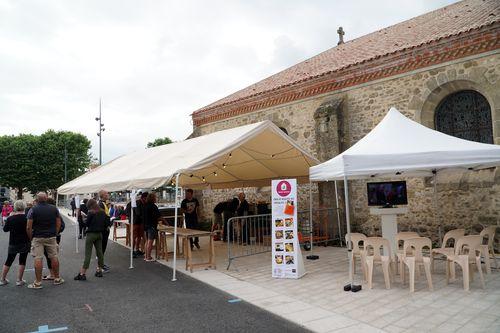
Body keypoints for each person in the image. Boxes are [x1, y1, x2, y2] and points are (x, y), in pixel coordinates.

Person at [26, 192, 64, 289]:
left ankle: (38, 282)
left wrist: (31, 237)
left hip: (38, 237)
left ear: (37, 199)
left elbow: (28, 227)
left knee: (38, 258)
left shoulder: (32, 210)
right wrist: (55, 232)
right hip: (51, 236)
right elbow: (58, 221)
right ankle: (57, 278)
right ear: (46, 198)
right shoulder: (53, 208)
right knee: (54, 257)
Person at [74, 199, 107, 281]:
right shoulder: (102, 212)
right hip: (99, 234)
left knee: (88, 254)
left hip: (91, 234)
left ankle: (82, 273)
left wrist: (83, 217)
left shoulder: (91, 212)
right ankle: (99, 270)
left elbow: (87, 224)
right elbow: (105, 223)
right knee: (100, 253)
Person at [0, 200, 30, 286]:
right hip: (25, 241)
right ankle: (19, 280)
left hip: (13, 242)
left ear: (15, 207)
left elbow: (5, 230)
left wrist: (9, 217)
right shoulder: (27, 218)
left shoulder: (10, 218)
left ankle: (2, 279)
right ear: (24, 207)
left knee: (9, 260)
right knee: (22, 260)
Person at [42, 198, 65, 281]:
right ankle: (55, 274)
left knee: (50, 255)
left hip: (51, 236)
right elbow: (62, 226)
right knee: (52, 255)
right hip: (55, 236)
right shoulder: (55, 212)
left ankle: (53, 274)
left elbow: (62, 225)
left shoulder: (51, 212)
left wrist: (55, 232)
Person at [126, 192, 146, 257]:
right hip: (135, 222)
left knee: (139, 236)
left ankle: (137, 250)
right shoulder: (137, 203)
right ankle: (132, 251)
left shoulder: (143, 203)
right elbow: (138, 213)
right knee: (134, 237)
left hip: (139, 223)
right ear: (143, 198)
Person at [143, 192, 161, 262]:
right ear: (153, 198)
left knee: (147, 241)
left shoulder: (145, 205)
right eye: (155, 197)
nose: (156, 198)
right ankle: (148, 257)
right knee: (150, 241)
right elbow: (158, 216)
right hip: (152, 226)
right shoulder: (153, 206)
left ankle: (146, 256)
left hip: (146, 225)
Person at [98, 190, 111, 272]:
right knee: (102, 247)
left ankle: (101, 264)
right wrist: (107, 225)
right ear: (103, 195)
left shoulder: (103, 203)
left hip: (104, 228)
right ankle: (100, 266)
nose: (108, 195)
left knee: (103, 247)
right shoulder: (101, 204)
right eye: (107, 194)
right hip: (103, 229)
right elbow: (103, 217)